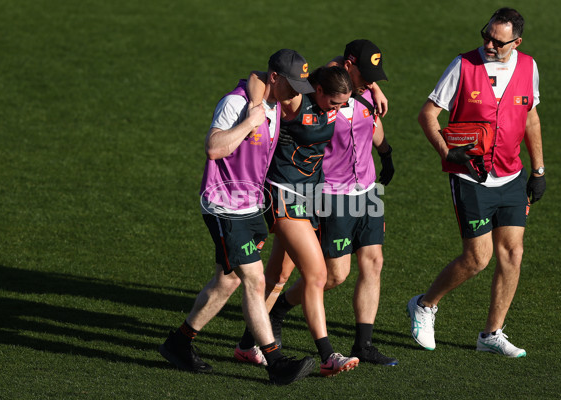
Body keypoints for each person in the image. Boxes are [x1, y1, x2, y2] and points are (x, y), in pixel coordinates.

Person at [158, 49, 316, 385]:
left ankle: (179, 343)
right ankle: (276, 364)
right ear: (275, 78)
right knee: (254, 279)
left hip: (250, 206)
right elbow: (214, 148)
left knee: (227, 280)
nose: (296, 94)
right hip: (224, 205)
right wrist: (248, 123)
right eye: (293, 85)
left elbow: (262, 80)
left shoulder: (271, 101)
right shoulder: (236, 104)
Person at [408, 7, 545, 358]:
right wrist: (446, 151)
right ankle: (425, 305)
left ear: (516, 42)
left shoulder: (528, 67)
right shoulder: (463, 65)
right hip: (471, 175)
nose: (488, 44)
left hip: (512, 175)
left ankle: (491, 334)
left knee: (513, 253)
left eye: (498, 41)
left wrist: (539, 170)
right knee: (477, 259)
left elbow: (530, 117)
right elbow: (427, 114)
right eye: (486, 35)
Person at [264, 39, 398, 367]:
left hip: (367, 191)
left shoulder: (364, 93)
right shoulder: (320, 98)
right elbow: (326, 73)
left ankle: (363, 344)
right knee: (334, 276)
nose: (370, 81)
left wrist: (386, 153)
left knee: (374, 262)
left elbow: (372, 128)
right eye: (365, 75)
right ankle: (279, 310)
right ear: (347, 66)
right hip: (331, 194)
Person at [237, 65, 359, 377]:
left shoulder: (334, 92)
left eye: (344, 103)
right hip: (283, 194)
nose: (340, 109)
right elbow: (258, 76)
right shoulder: (296, 99)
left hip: (310, 196)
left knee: (278, 275)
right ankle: (327, 354)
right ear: (318, 91)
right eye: (335, 103)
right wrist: (255, 107)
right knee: (317, 275)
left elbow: (341, 66)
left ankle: (247, 344)